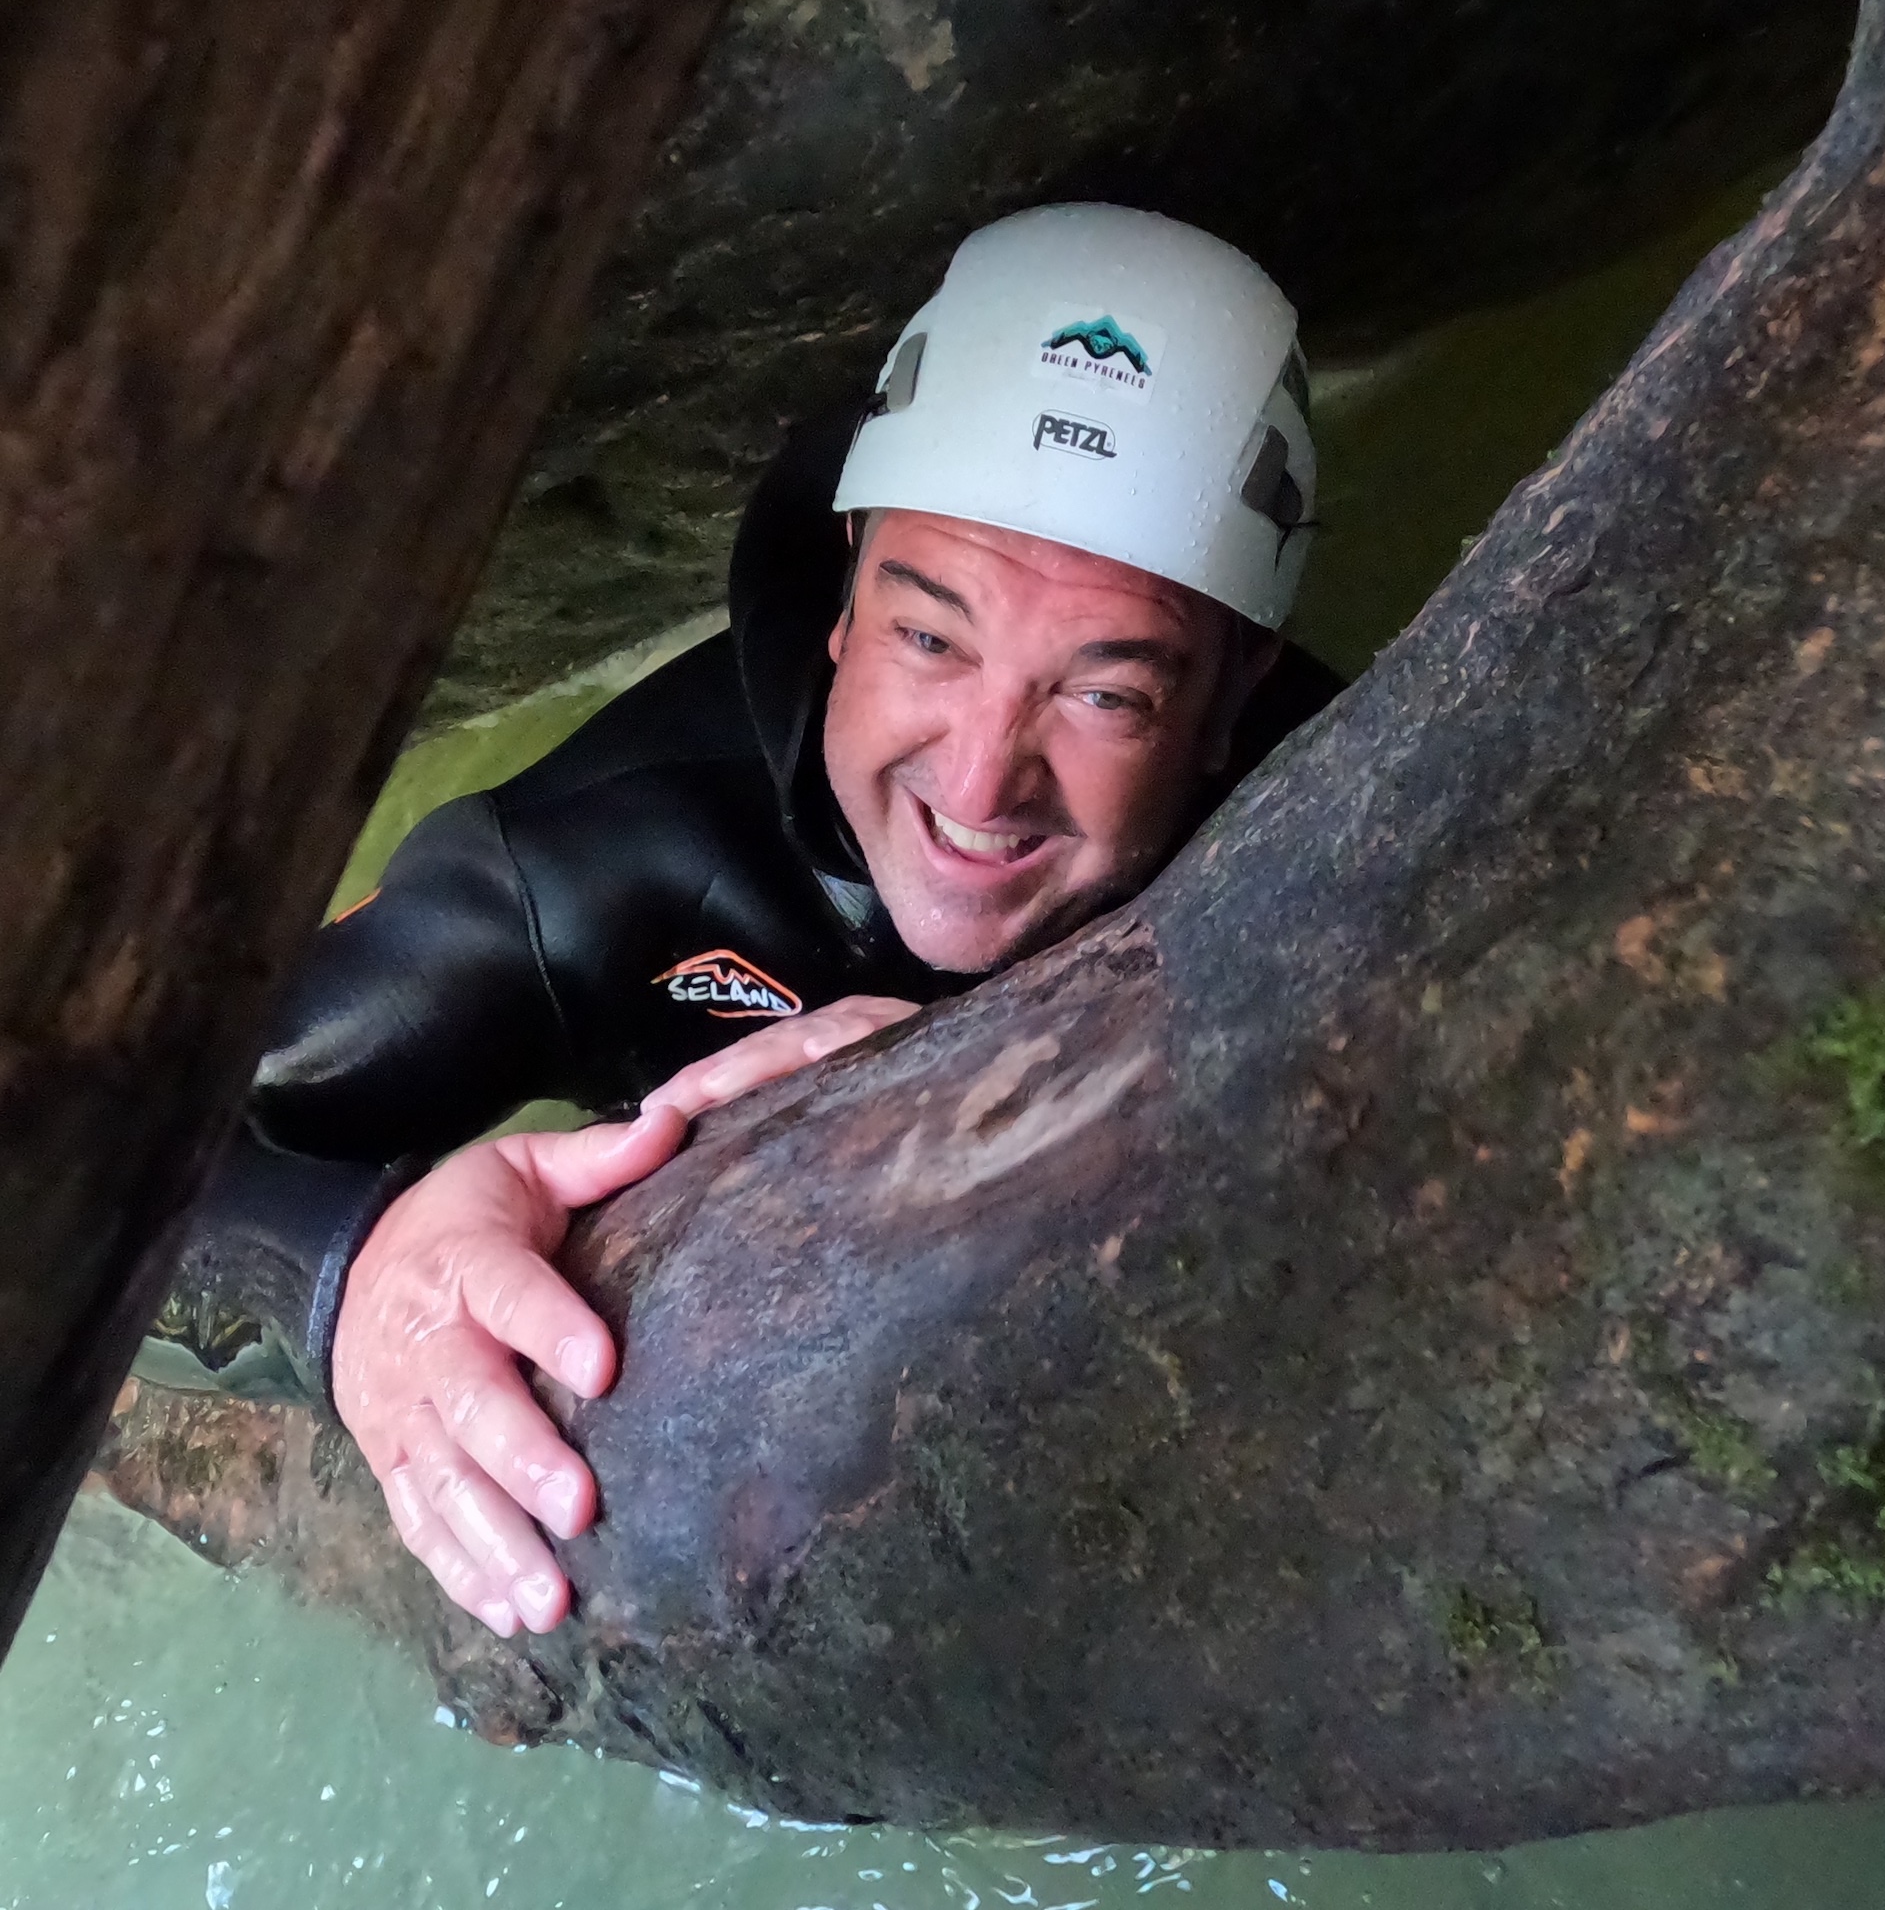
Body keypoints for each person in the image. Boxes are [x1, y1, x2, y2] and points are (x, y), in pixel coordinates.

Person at [178, 202, 1335, 1642]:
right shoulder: (601, 857)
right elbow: (119, 1149)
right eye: (929, 636)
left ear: (1234, 691)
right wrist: (357, 1275)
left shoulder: (1343, 813)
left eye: (1105, 692)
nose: (981, 781)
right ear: (846, 588)